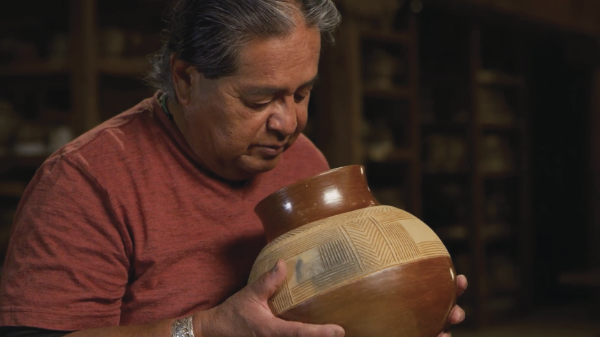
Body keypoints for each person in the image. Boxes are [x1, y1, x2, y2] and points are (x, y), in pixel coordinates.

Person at [0, 0, 467, 336]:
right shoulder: (85, 181)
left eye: (302, 94)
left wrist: (399, 315)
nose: (288, 123)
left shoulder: (303, 160)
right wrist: (204, 329)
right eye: (260, 99)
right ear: (186, 79)